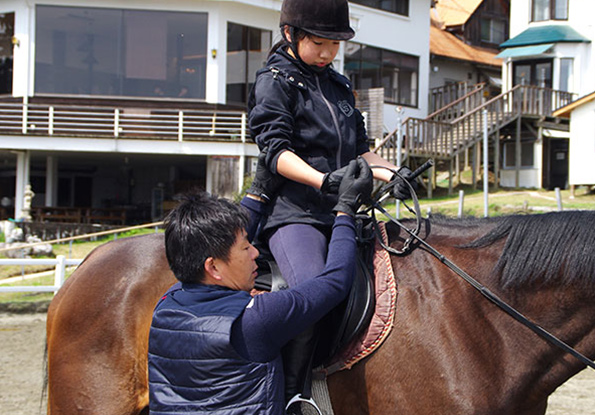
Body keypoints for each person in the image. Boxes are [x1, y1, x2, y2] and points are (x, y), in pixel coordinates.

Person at [246, 0, 419, 409]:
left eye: (335, 44)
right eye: (319, 43)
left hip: (343, 209)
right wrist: (325, 180)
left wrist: (393, 173)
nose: (327, 53)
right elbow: (276, 153)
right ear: (290, 34)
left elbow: (362, 152)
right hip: (295, 213)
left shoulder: (338, 86)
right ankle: (292, 396)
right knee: (314, 293)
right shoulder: (274, 82)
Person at [148, 157, 373, 415]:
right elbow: (334, 283)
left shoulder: (166, 304)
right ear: (213, 268)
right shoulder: (256, 319)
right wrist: (345, 210)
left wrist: (258, 192)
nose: (256, 252)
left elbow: (220, 244)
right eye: (246, 247)